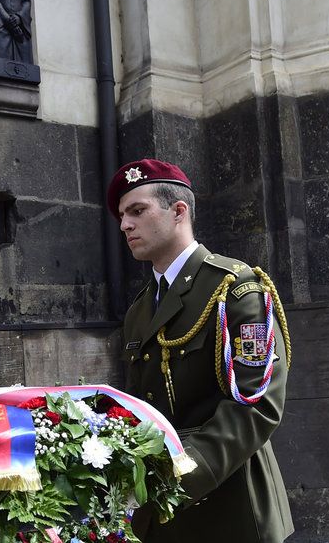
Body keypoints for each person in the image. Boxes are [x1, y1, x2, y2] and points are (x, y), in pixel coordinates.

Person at [107, 158, 293, 543]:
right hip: (160, 512)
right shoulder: (140, 309)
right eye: (123, 215)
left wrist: (177, 477)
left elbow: (257, 405)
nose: (125, 224)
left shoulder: (235, 289)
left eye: (138, 211)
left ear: (179, 211)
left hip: (228, 507)